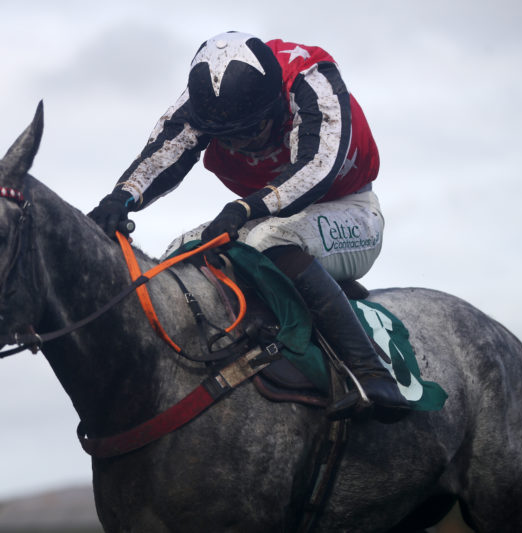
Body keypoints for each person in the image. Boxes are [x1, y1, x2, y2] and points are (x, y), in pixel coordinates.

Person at [88, 31, 409, 423]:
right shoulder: (206, 101)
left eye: (250, 130)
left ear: (276, 102)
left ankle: (370, 372)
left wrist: (247, 207)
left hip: (350, 209)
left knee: (266, 238)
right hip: (267, 212)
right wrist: (120, 197)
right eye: (228, 137)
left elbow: (317, 168)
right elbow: (164, 152)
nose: (240, 145)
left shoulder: (312, 81)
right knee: (181, 251)